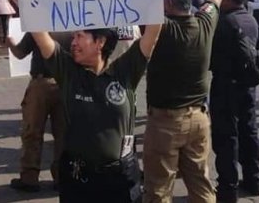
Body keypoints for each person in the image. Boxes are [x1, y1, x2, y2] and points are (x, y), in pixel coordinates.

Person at [24, 14, 164, 201]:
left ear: (100, 42)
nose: (73, 42)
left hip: (121, 179)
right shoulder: (68, 72)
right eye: (74, 37)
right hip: (79, 180)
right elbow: (41, 38)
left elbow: (152, 36)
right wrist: (26, 2)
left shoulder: (124, 71)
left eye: (80, 36)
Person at [143, 0, 222, 203]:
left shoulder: (162, 29)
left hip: (166, 122)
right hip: (199, 120)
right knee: (201, 183)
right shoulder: (205, 23)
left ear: (166, 4)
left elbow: (143, 9)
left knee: (158, 188)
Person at [210, 0, 259, 202]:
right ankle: (254, 180)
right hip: (248, 86)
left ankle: (228, 188)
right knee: (249, 131)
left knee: (226, 137)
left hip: (226, 86)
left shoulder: (224, 22)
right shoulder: (249, 19)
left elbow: (211, 57)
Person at [6, 31, 73, 192]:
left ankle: (29, 177)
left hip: (40, 83)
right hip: (66, 83)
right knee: (63, 133)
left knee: (32, 131)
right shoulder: (72, 26)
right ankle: (61, 176)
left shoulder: (37, 26)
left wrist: (10, 42)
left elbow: (20, 53)